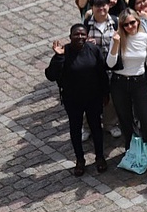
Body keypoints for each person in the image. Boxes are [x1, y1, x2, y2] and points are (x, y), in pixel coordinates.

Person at [45, 24, 110, 176]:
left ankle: (100, 157)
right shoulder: (64, 52)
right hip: (73, 99)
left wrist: (105, 93)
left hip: (93, 97)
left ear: (87, 36)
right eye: (76, 34)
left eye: (82, 34)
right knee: (75, 129)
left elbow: (102, 72)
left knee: (96, 127)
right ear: (70, 36)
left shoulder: (93, 50)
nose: (79, 37)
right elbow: (51, 75)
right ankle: (80, 160)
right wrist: (58, 57)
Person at [107, 10, 147, 172]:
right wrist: (115, 45)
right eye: (126, 24)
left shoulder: (146, 38)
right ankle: (132, 151)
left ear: (138, 21)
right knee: (125, 119)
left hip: (139, 82)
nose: (130, 26)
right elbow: (109, 63)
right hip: (119, 83)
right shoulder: (117, 38)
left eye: (133, 22)